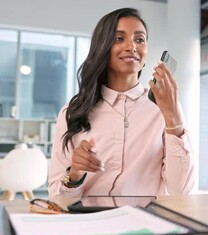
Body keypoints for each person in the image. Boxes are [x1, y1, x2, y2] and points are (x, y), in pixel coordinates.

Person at [48, 8, 195, 199]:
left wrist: (173, 119)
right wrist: (75, 174)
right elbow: (58, 199)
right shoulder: (72, 112)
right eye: (119, 39)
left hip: (145, 223)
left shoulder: (164, 109)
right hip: (90, 222)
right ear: (102, 48)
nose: (132, 46)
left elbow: (181, 191)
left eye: (139, 39)